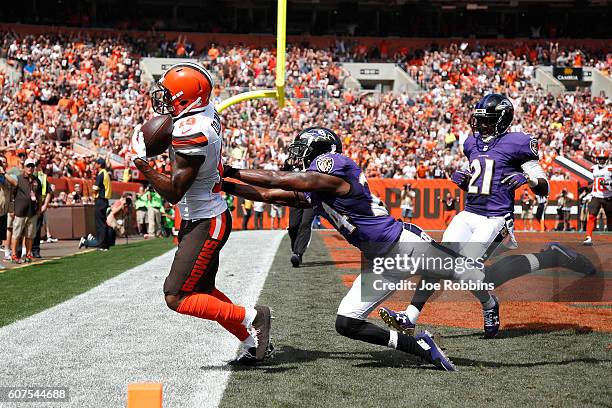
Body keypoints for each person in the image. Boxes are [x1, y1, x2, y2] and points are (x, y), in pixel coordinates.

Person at [222, 126, 595, 372]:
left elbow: (286, 178)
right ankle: (420, 348)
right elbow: (272, 192)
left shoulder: (334, 167)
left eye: (301, 148)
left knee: (484, 278)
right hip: (386, 261)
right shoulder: (318, 187)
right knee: (346, 322)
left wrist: (233, 169)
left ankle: (550, 256)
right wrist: (224, 183)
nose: (295, 154)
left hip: (407, 247)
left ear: (321, 152)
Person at [131, 61, 272, 365]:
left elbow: (173, 192)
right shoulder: (203, 114)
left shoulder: (192, 130)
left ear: (187, 98)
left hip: (206, 221)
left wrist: (142, 164)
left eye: (170, 95)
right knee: (204, 290)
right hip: (204, 214)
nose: (164, 101)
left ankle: (254, 317)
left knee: (176, 296)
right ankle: (251, 341)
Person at [383, 93, 550, 338]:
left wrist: (528, 178)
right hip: (469, 213)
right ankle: (409, 317)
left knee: (464, 269)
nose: (479, 124)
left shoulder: (518, 143)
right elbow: (483, 182)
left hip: (496, 218)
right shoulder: (471, 143)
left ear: (502, 120)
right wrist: (465, 183)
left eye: (486, 120)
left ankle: (489, 303)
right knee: (437, 260)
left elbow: (544, 187)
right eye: (478, 119)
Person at [1, 158, 49, 263]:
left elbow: (40, 196)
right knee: (16, 234)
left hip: (32, 212)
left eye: (32, 166)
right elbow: (12, 182)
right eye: (28, 166)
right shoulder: (19, 178)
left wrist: (40, 208)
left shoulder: (37, 180)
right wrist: (4, 173)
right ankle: (14, 255)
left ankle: (28, 254)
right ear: (24, 167)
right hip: (20, 211)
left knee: (30, 235)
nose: (30, 168)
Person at [583, 149, 611, 246]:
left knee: (610, 218)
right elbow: (595, 181)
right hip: (596, 196)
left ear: (607, 159)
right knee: (591, 216)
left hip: (608, 196)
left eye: (603, 159)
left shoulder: (610, 168)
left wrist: (608, 183)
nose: (601, 160)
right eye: (600, 158)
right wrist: (587, 188)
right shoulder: (593, 168)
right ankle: (588, 237)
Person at [31, 160, 53, 258]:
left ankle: (35, 250)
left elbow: (49, 192)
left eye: (35, 166)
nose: (33, 168)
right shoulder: (24, 176)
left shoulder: (42, 177)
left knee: (36, 229)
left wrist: (45, 205)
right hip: (27, 206)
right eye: (32, 166)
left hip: (38, 206)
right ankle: (23, 251)